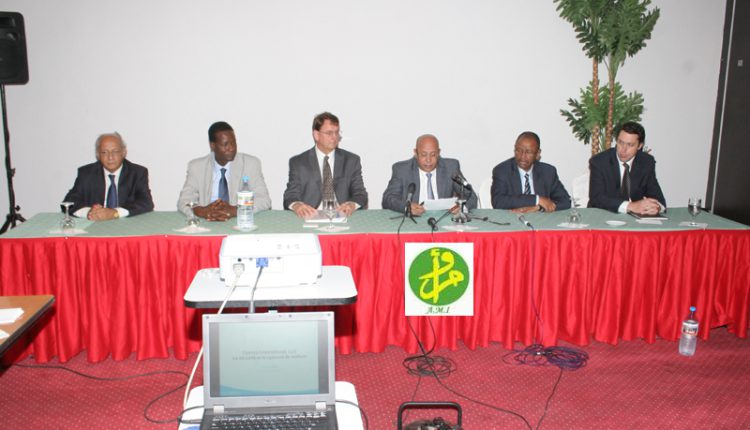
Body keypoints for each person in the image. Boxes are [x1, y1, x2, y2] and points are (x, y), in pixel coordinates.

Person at [177, 121, 271, 221]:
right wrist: (202, 211)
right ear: (212, 146)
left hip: (238, 221)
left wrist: (236, 210)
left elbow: (264, 200)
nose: (231, 148)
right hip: (207, 221)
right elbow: (184, 201)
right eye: (225, 144)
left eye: (233, 143)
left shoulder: (250, 164)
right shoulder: (197, 167)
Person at [283, 112, 368, 218]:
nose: (334, 137)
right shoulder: (298, 162)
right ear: (316, 135)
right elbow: (290, 195)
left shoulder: (351, 160)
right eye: (329, 133)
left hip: (342, 217)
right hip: (310, 216)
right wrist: (297, 205)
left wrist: (352, 204)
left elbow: (360, 194)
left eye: (336, 132)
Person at [63, 132, 154, 221]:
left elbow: (146, 203)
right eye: (104, 152)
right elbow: (69, 202)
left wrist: (114, 213)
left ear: (124, 152)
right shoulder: (86, 173)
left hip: (126, 225)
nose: (110, 157)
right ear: (98, 154)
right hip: (95, 225)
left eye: (115, 151)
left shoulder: (137, 173)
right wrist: (89, 212)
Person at [381, 134, 477, 215]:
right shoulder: (402, 170)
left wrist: (462, 207)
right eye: (423, 155)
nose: (428, 160)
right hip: (413, 221)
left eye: (433, 154)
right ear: (415, 153)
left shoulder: (450, 167)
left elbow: (471, 196)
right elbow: (387, 199)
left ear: (438, 153)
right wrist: (406, 207)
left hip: (443, 221)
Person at [588, 121, 666, 214]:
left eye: (630, 145)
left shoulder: (646, 162)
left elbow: (657, 198)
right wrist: (630, 206)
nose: (623, 149)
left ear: (640, 146)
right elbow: (597, 198)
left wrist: (656, 207)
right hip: (604, 214)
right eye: (620, 142)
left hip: (635, 218)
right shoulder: (599, 162)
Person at [491, 131, 571, 212]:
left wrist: (539, 207)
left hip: (540, 219)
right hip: (513, 218)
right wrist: (537, 199)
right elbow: (498, 202)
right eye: (518, 150)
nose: (522, 156)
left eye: (528, 152)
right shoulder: (502, 171)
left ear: (538, 153)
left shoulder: (548, 172)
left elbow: (565, 201)